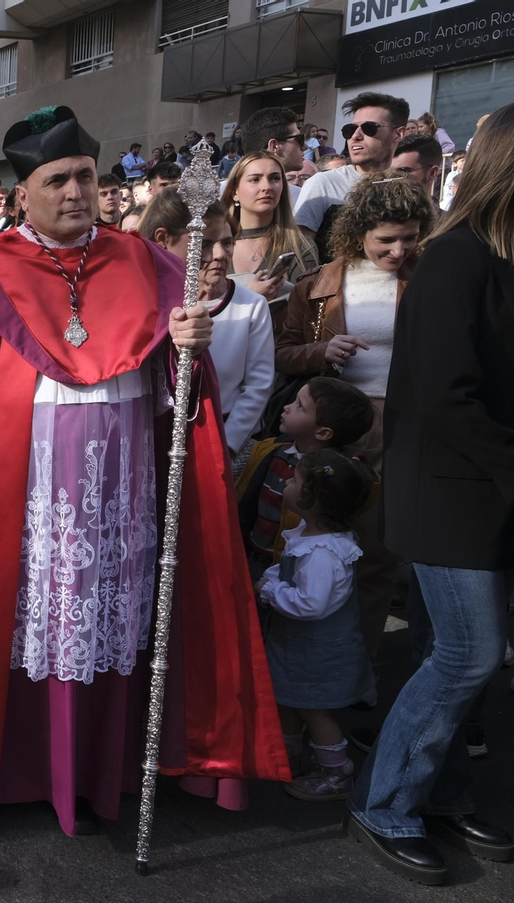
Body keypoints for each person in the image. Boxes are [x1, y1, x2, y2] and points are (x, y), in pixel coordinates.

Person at [0, 105, 287, 840]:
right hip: (18, 486)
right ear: (25, 194)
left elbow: (180, 398)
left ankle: (97, 768)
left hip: (119, 482)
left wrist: (184, 347)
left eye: (86, 176)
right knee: (1, 616)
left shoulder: (148, 263)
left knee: (108, 618)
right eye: (58, 180)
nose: (77, 192)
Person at [342, 103, 514, 885]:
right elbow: (449, 397)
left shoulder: (498, 257)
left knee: (450, 651)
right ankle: (385, 803)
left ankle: (437, 793)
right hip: (448, 491)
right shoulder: (455, 259)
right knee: (469, 653)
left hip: (485, 489)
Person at [276, 172, 434, 658]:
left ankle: (357, 666)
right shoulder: (319, 283)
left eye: (410, 238)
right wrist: (323, 350)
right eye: (386, 239)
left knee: (376, 555)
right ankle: (306, 666)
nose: (399, 250)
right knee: (313, 544)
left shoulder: (428, 277)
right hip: (335, 423)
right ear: (358, 232)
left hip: (404, 424)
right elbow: (284, 352)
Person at [257, 450, 376, 800]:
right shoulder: (310, 537)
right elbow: (288, 570)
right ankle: (286, 756)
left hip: (314, 655)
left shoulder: (323, 554)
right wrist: (274, 577)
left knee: (312, 710)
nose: (287, 482)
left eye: (294, 480)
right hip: (297, 650)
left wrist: (271, 590)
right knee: (289, 700)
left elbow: (311, 603)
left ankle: (336, 772)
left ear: (312, 498)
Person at [139, 190, 273, 458]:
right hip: (154, 441)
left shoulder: (251, 306)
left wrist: (227, 444)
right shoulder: (144, 304)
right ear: (163, 240)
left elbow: (259, 386)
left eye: (227, 242)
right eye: (204, 243)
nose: (220, 254)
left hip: (224, 442)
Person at [237, 378, 376, 580]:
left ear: (322, 432)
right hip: (252, 556)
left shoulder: (332, 477)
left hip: (296, 569)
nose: (286, 407)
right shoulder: (272, 451)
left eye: (299, 406)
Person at [295, 92, 409, 260]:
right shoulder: (323, 184)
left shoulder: (407, 189)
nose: (355, 136)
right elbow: (301, 254)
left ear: (398, 134)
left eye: (369, 128)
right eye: (350, 129)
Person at [222, 150, 320, 301]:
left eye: (275, 178)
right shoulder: (213, 246)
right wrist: (250, 298)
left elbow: (306, 312)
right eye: (255, 179)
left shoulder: (301, 247)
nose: (266, 187)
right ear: (235, 191)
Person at [238, 106, 307, 203]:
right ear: (275, 146)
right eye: (299, 139)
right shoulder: (218, 196)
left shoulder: (300, 196)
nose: (305, 146)